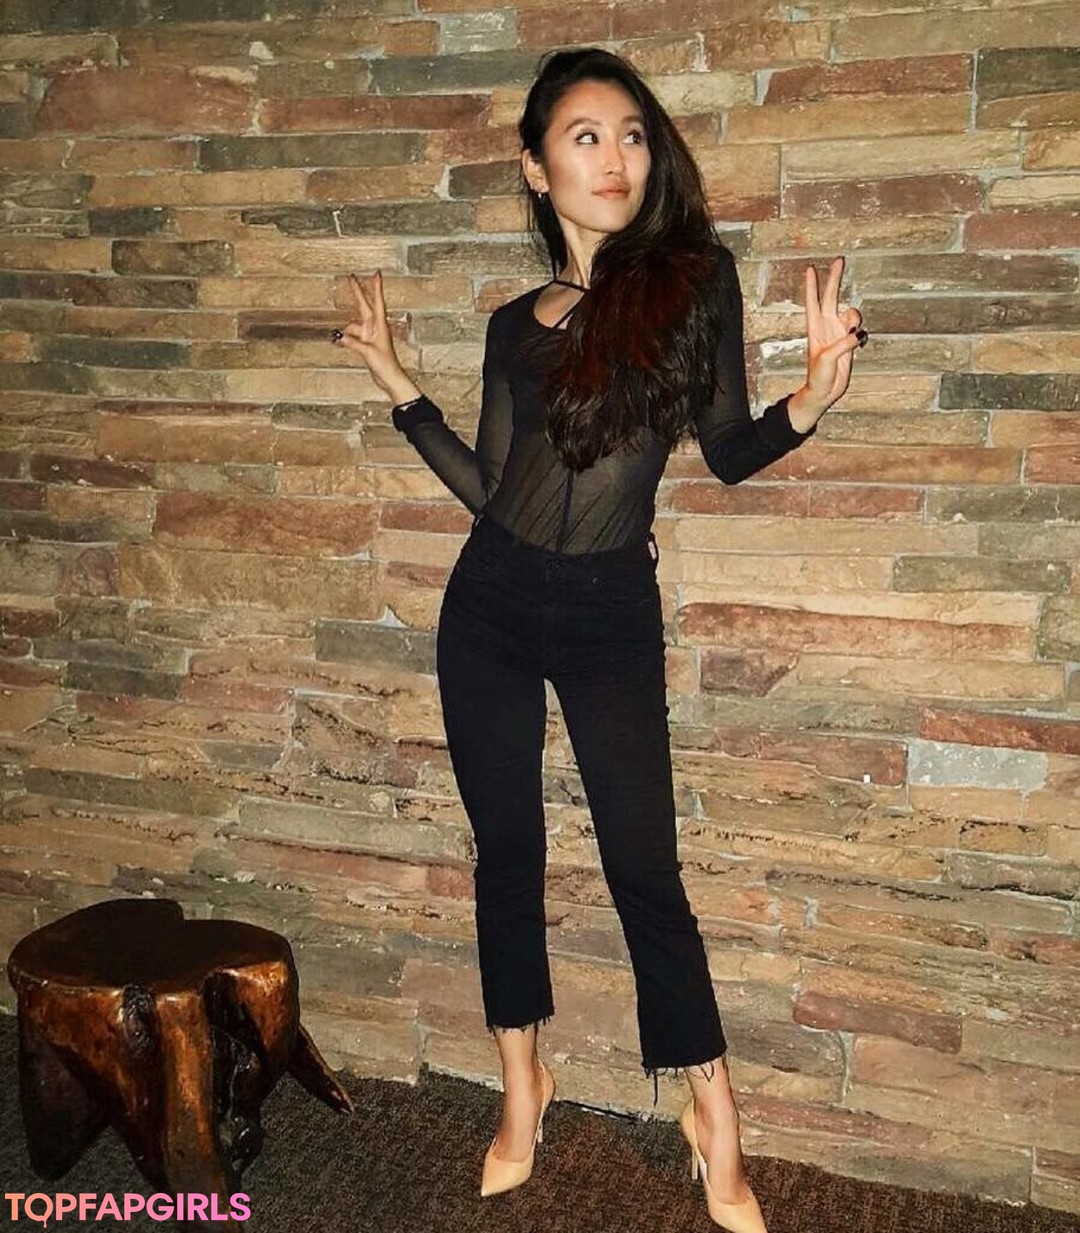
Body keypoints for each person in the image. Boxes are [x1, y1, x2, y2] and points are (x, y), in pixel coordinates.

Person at [333, 46, 864, 1233]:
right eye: (584, 136)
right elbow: (492, 490)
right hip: (489, 608)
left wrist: (813, 401)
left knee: (642, 866)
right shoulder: (510, 325)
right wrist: (397, 384)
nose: (616, 157)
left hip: (609, 611)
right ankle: (523, 1082)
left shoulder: (693, 281)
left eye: (631, 134)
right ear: (537, 167)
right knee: (507, 853)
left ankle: (713, 1114)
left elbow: (727, 450)